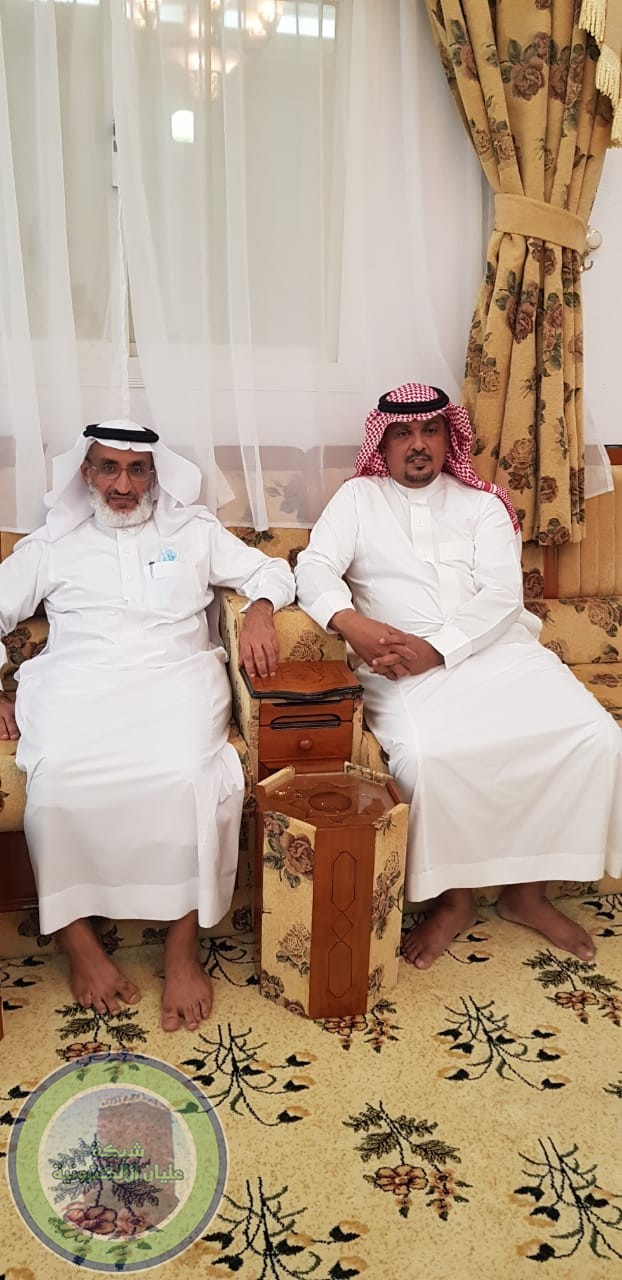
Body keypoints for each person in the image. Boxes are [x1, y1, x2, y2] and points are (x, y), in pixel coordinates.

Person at [295, 382, 622, 969]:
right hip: (399, 666)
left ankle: (527, 894)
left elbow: (501, 596)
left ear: (450, 438)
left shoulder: (483, 504)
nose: (418, 444)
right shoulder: (358, 499)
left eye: (430, 430)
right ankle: (455, 899)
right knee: (429, 757)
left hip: (500, 652)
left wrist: (439, 649)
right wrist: (350, 623)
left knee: (593, 736)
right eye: (402, 433)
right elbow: (315, 566)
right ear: (383, 443)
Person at [0, 421, 295, 1030]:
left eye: (137, 469)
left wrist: (262, 612)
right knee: (56, 780)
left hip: (175, 679)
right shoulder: (53, 544)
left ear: (155, 474)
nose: (123, 484)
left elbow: (271, 572)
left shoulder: (192, 531)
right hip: (77, 684)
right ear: (86, 472)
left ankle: (182, 948)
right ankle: (79, 945)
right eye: (108, 468)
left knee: (190, 775)